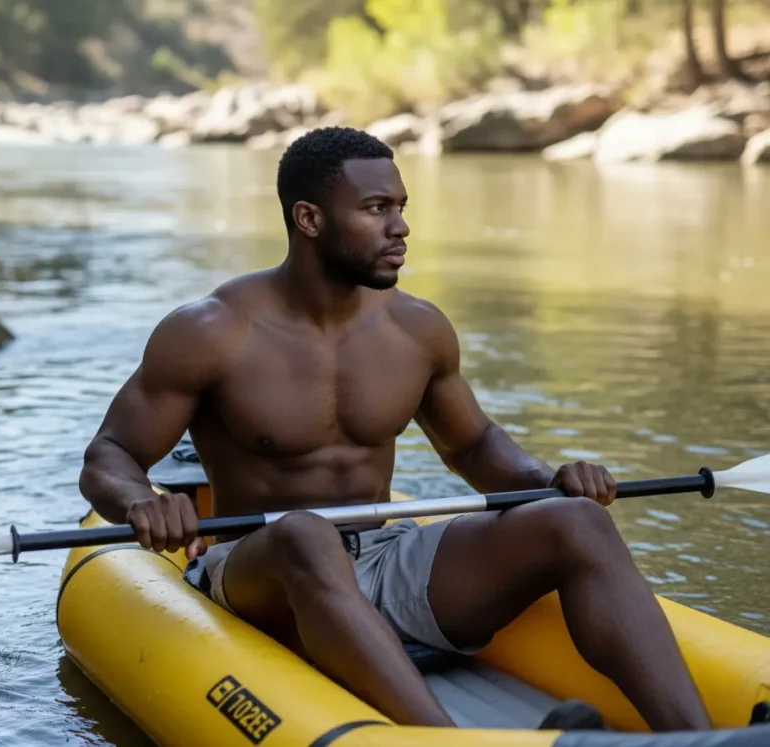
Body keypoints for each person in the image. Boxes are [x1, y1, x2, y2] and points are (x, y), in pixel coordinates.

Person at [79, 127, 712, 732]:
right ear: (309, 219)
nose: (401, 226)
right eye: (376, 207)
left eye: (401, 206)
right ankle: (438, 741)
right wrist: (143, 501)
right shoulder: (213, 331)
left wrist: (551, 480)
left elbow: (473, 446)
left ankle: (701, 738)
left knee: (576, 521)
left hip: (383, 560)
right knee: (307, 535)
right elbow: (110, 454)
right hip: (259, 574)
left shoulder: (417, 328)